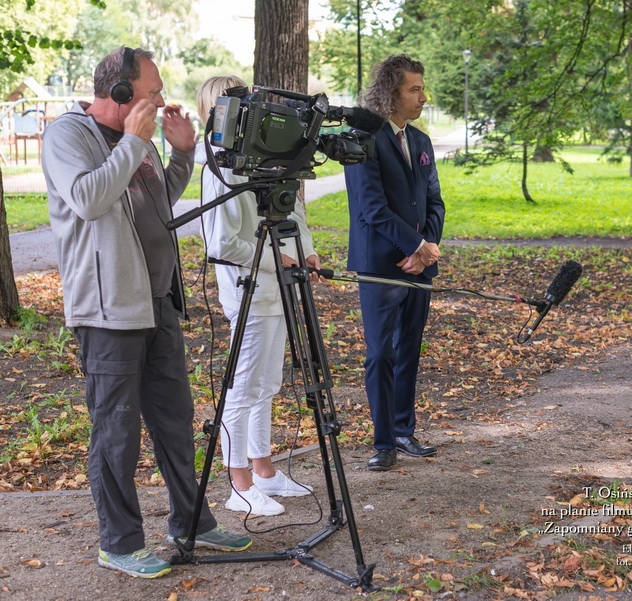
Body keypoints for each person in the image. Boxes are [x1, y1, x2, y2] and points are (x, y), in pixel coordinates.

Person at [41, 47, 251, 579]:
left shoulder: (144, 141)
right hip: (108, 311)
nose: (160, 99)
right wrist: (136, 141)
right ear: (119, 91)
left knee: (175, 420)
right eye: (152, 90)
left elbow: (160, 205)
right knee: (116, 429)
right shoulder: (68, 136)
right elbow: (89, 199)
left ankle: (192, 523)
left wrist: (180, 155)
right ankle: (119, 542)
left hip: (157, 302)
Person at [195, 75, 320, 516]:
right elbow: (222, 244)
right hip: (250, 292)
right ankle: (238, 481)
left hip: (280, 291)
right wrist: (277, 259)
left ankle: (264, 470)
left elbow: (292, 211)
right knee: (243, 386)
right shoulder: (220, 167)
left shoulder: (265, 157)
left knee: (267, 384)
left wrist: (306, 253)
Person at [344, 54, 446, 471]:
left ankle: (404, 430)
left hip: (419, 267)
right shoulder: (362, 138)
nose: (423, 96)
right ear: (391, 91)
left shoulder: (420, 142)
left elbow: (435, 201)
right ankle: (383, 441)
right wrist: (414, 246)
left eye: (422, 88)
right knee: (380, 355)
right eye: (415, 89)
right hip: (381, 264)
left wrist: (427, 248)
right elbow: (371, 208)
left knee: (409, 351)